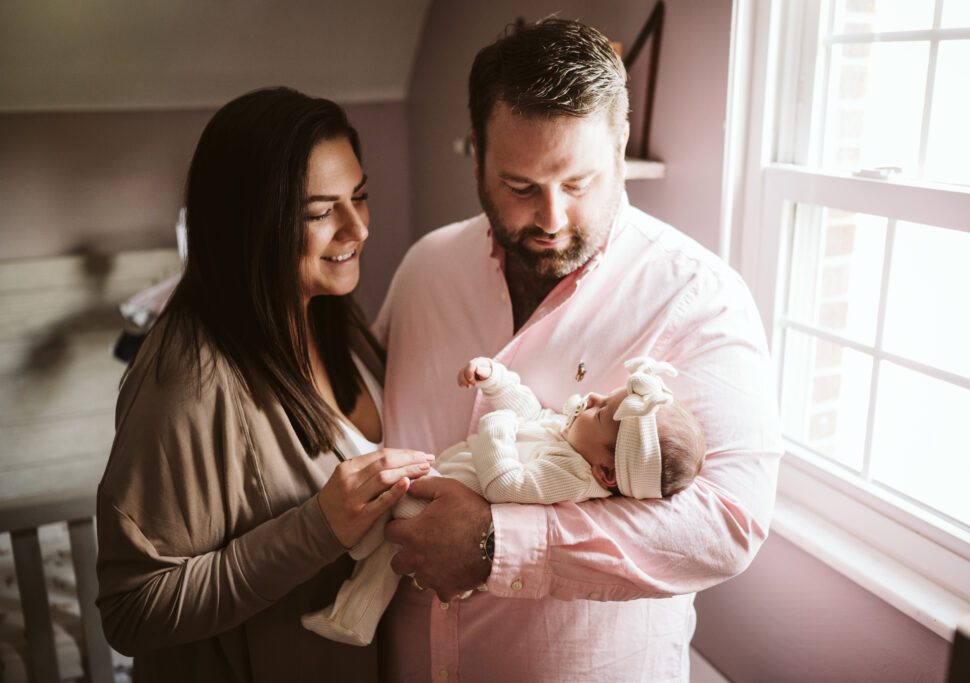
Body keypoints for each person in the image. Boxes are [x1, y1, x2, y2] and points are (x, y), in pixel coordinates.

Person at [374, 17, 782, 681]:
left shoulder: (700, 296)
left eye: (579, 182)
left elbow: (727, 520)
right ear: (475, 153)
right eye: (520, 186)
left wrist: (497, 544)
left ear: (620, 146)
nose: (553, 218)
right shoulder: (424, 269)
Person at [94, 87, 434, 682]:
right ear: (251, 222)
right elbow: (131, 609)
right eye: (320, 211)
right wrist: (316, 528)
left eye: (360, 197)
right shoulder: (186, 383)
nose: (357, 227)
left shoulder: (335, 318)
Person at [302, 355, 706, 646]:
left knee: (392, 505)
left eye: (601, 414)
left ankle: (358, 552)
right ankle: (354, 618)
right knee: (384, 557)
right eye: (605, 398)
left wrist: (495, 428)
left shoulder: (571, 476)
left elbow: (504, 486)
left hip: (437, 510)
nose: (594, 398)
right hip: (442, 484)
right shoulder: (571, 436)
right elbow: (529, 412)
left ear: (607, 472)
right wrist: (497, 381)